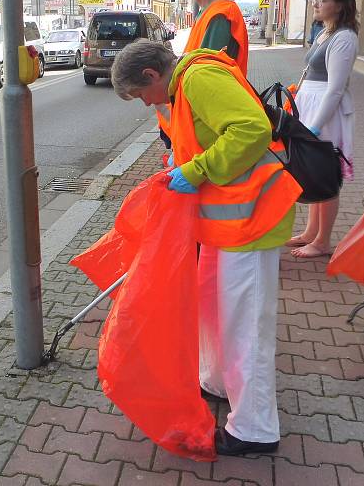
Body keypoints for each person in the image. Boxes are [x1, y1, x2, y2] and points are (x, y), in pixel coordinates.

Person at [111, 40, 301, 455]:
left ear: (151, 76)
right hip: (228, 223)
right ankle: (217, 381)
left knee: (245, 326)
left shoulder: (198, 77)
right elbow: (212, 137)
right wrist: (184, 166)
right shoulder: (185, 85)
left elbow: (251, 128)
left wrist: (196, 171)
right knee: (218, 312)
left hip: (252, 221)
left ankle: (254, 429)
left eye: (140, 94)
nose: (145, 104)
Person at [287, 0, 359, 259]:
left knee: (325, 174)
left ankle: (322, 241)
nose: (316, 3)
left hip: (325, 115)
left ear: (340, 6)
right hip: (312, 108)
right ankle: (310, 232)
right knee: (314, 172)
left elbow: (335, 89)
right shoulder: (326, 33)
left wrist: (314, 127)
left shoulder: (344, 38)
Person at [156, 0, 249, 147]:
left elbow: (206, 91)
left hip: (203, 140)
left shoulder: (220, 16)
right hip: (196, 134)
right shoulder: (208, 12)